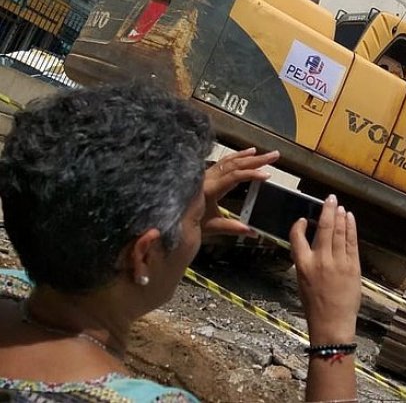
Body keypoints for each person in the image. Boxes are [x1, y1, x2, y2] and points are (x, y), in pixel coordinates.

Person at [0, 83, 361, 402]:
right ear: (143, 255)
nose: (198, 231)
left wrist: (175, 213)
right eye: (194, 220)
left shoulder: (12, 285)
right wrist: (333, 336)